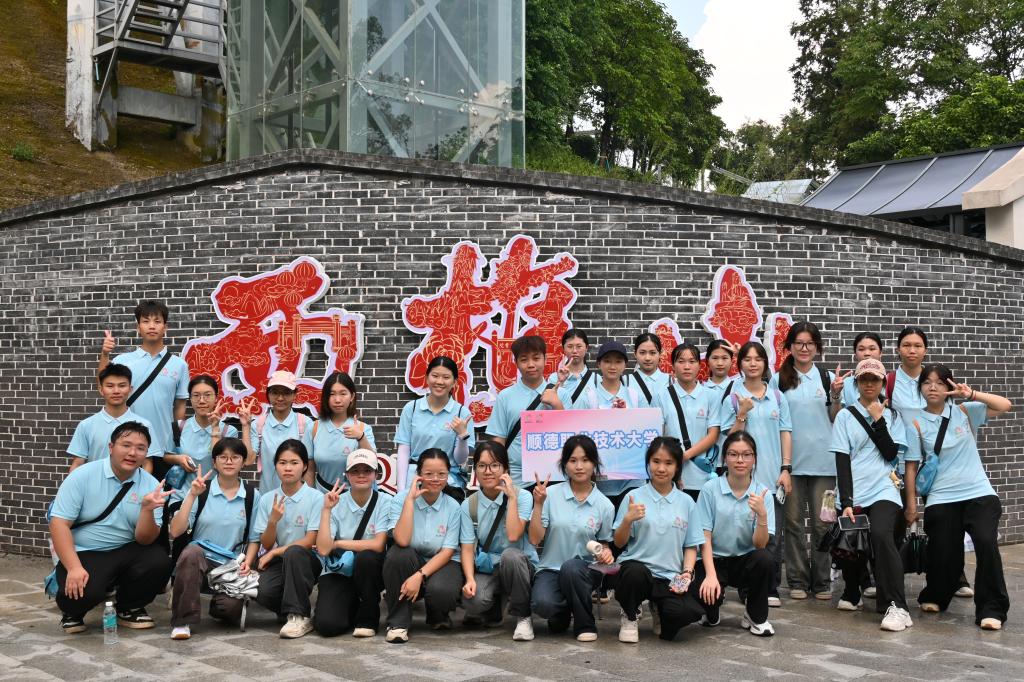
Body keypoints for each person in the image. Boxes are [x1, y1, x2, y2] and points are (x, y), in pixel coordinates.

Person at [908, 365, 1012, 630]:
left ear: (949, 387)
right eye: (927, 382)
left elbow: (1005, 405)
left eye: (940, 382)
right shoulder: (915, 422)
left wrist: (972, 393)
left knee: (986, 542)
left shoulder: (965, 411)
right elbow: (911, 466)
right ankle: (936, 595)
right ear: (920, 388)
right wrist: (911, 505)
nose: (933, 387)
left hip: (978, 492)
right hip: (941, 495)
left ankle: (992, 608)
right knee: (943, 549)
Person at [50, 421, 173, 634]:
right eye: (126, 445)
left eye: (140, 448)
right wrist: (74, 567)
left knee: (159, 561)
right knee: (84, 594)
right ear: (111, 447)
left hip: (126, 549)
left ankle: (129, 607)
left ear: (146, 453)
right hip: (86, 551)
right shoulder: (82, 476)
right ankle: (72, 611)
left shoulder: (152, 485)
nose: (132, 453)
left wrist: (146, 509)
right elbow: (59, 523)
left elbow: (145, 539)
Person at [830, 358, 913, 631]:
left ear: (882, 383)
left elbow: (891, 454)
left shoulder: (893, 416)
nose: (869, 384)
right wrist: (846, 501)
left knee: (880, 535)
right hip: (855, 489)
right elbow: (842, 461)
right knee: (852, 543)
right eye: (864, 379)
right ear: (856, 383)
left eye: (874, 379)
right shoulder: (845, 416)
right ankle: (852, 590)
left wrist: (878, 420)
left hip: (884, 488)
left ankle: (898, 607)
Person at [769, 322, 841, 601]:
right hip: (791, 466)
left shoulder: (827, 378)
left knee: (824, 523)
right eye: (798, 342)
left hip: (825, 465)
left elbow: (836, 417)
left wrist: (836, 394)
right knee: (794, 524)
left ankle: (822, 582)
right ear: (789, 346)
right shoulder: (778, 380)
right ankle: (797, 581)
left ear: (817, 347)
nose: (804, 348)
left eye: (810, 343)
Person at [719, 341, 792, 606]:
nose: (752, 363)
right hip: (741, 479)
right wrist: (742, 413)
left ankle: (770, 588)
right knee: (744, 534)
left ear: (765, 363)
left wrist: (786, 468)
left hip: (772, 477)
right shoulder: (732, 397)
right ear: (739, 364)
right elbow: (729, 438)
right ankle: (746, 586)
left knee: (772, 535)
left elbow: (786, 432)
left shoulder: (778, 397)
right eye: (747, 359)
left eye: (758, 359)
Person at [613, 437, 705, 642]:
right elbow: (618, 543)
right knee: (633, 574)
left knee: (684, 614)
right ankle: (630, 615)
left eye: (668, 463)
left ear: (677, 466)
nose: (661, 468)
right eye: (656, 461)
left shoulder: (687, 502)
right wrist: (627, 520)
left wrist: (687, 573)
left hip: (670, 576)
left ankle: (659, 608)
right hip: (638, 571)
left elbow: (691, 545)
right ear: (648, 463)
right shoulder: (633, 496)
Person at [167, 438, 259, 640]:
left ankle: (217, 603)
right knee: (192, 552)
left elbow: (254, 538)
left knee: (228, 611)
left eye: (235, 457)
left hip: (230, 565)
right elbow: (175, 531)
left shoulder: (252, 495)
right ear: (214, 462)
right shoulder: (201, 490)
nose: (229, 461)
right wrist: (192, 495)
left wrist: (249, 562)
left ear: (243, 462)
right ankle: (182, 621)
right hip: (199, 561)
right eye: (223, 457)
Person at [529, 435, 615, 642]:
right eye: (573, 460)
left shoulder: (605, 505)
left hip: (586, 571)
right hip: (551, 568)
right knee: (542, 604)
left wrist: (606, 553)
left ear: (594, 463)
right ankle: (564, 610)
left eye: (585, 460)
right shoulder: (549, 495)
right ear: (564, 464)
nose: (579, 466)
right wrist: (538, 504)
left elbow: (604, 543)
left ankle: (585, 624)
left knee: (571, 568)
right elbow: (534, 538)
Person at [694, 431, 776, 637]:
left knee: (765, 559)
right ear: (724, 458)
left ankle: (755, 616)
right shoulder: (710, 489)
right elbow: (704, 537)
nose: (740, 460)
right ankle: (711, 611)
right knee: (703, 602)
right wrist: (710, 576)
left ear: (754, 458)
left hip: (744, 562)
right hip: (714, 560)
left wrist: (762, 515)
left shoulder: (763, 494)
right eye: (733, 454)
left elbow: (760, 545)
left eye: (746, 454)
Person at [98, 300, 190, 477]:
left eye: (157, 321)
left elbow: (180, 407)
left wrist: (177, 441)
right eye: (146, 321)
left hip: (164, 449)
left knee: (158, 494)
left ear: (165, 327)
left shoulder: (179, 365)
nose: (152, 326)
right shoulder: (123, 361)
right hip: (128, 446)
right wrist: (105, 355)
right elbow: (102, 386)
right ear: (138, 327)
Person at [382, 449, 464, 643]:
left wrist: (419, 576)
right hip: (410, 559)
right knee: (398, 555)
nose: (435, 479)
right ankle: (398, 623)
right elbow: (402, 540)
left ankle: (437, 613)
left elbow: (447, 551)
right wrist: (410, 501)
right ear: (418, 474)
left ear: (448, 475)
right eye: (429, 473)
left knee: (443, 592)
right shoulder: (401, 499)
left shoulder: (453, 506)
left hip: (442, 561)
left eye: (441, 474)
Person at [459, 442, 537, 641]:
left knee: (510, 556)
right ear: (475, 469)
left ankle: (523, 617)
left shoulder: (523, 496)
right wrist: (469, 579)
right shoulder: (469, 504)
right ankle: (496, 604)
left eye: (494, 465)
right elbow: (467, 548)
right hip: (489, 567)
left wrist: (511, 499)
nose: (488, 471)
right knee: (472, 602)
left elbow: (514, 535)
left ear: (505, 469)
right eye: (482, 466)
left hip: (520, 566)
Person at [314, 449, 391, 637]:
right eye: (355, 471)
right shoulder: (335, 502)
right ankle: (351, 605)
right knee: (327, 625)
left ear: (376, 475)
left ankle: (368, 617)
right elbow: (323, 549)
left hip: (371, 571)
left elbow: (378, 545)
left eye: (367, 470)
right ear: (347, 475)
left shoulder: (385, 501)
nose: (361, 475)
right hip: (340, 570)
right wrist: (326, 510)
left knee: (366, 558)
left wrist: (338, 544)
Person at [252, 440, 325, 638]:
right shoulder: (267, 499)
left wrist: (275, 552)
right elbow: (266, 543)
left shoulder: (316, 498)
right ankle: (287, 609)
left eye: (294, 463)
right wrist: (273, 521)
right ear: (275, 466)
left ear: (305, 466)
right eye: (282, 463)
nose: (288, 468)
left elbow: (310, 540)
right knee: (262, 591)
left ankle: (299, 615)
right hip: (282, 560)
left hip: (309, 559)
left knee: (294, 552)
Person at [486, 336, 564, 484]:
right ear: (516, 363)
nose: (531, 365)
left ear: (545, 359)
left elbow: (570, 436)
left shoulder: (561, 394)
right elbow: (498, 441)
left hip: (554, 476)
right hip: (517, 479)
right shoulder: (505, 396)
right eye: (524, 360)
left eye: (536, 358)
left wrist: (557, 405)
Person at [575, 341, 644, 507]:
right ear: (598, 364)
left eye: (618, 361)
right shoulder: (589, 397)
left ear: (625, 365)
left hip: (632, 480)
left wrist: (627, 416)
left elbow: (646, 432)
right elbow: (579, 435)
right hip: (599, 480)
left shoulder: (635, 396)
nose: (613, 366)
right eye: (607, 361)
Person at [394, 357, 473, 495]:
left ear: (454, 382)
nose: (440, 381)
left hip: (447, 482)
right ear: (426, 378)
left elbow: (460, 459)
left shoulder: (462, 413)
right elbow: (404, 451)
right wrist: (401, 490)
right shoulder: (411, 408)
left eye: (446, 377)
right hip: (415, 479)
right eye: (435, 376)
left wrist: (462, 436)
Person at [654, 343, 722, 500]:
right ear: (672, 365)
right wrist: (673, 461)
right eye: (681, 361)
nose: (686, 367)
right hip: (670, 475)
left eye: (692, 361)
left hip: (703, 475)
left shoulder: (711, 396)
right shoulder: (661, 396)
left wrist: (684, 456)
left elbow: (713, 435)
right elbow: (657, 437)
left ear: (700, 365)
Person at [67, 364, 162, 473]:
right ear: (101, 390)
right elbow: (78, 463)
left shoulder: (144, 425)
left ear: (130, 389)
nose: (116, 391)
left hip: (130, 483)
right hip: (95, 483)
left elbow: (147, 463)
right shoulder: (86, 425)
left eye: (122, 385)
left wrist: (141, 484)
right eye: (110, 386)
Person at [240, 371, 315, 494]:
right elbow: (248, 460)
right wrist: (245, 426)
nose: (280, 398)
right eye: (275, 393)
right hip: (267, 495)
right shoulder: (258, 425)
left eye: (286, 393)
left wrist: (309, 497)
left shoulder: (305, 424)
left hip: (298, 497)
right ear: (268, 394)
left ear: (294, 395)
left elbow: (309, 467)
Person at [171, 375, 239, 499]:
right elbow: (165, 455)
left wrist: (215, 429)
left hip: (215, 498)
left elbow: (219, 463)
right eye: (196, 395)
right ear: (190, 398)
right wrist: (178, 459)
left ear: (216, 398)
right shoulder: (179, 427)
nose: (202, 401)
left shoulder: (229, 431)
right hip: (181, 496)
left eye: (207, 395)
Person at [308, 371, 375, 492]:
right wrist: (311, 497)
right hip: (322, 494)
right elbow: (309, 468)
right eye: (332, 394)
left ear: (352, 396)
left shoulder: (363, 428)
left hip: (355, 496)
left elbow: (372, 463)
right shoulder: (314, 428)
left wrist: (361, 437)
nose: (337, 400)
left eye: (343, 394)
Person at [624, 332, 671, 407]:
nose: (647, 358)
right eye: (642, 353)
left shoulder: (671, 381)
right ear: (635, 354)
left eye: (652, 353)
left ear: (660, 354)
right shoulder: (625, 381)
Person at [548, 329, 594, 404]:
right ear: (563, 349)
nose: (574, 351)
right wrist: (560, 382)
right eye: (570, 346)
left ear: (586, 348)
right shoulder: (554, 378)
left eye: (579, 346)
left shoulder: (595, 379)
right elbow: (549, 406)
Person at [840, 332, 883, 407]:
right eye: (861, 349)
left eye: (872, 349)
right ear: (855, 354)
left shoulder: (891, 383)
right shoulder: (845, 384)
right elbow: (837, 414)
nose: (867, 353)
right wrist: (835, 396)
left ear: (880, 353)